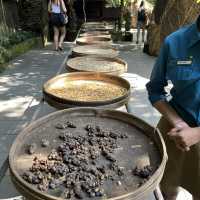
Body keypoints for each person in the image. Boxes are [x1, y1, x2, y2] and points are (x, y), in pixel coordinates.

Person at [146, 15, 200, 200]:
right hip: (174, 131)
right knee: (166, 187)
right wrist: (178, 122)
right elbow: (155, 90)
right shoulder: (175, 42)